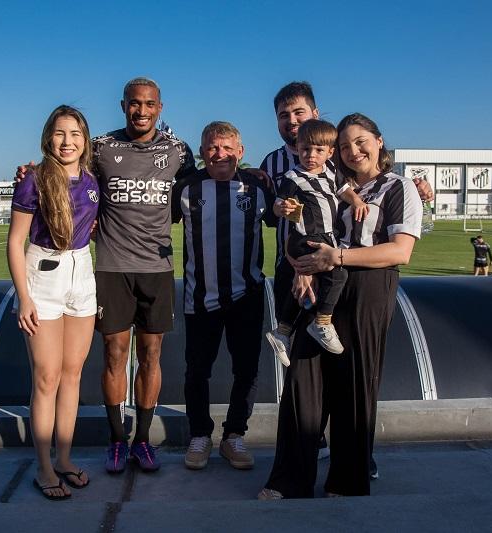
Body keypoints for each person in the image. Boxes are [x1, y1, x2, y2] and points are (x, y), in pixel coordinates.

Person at [16, 78, 195, 474]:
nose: (142, 111)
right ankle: (117, 440)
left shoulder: (179, 150)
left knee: (151, 355)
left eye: (149, 104)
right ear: (123, 105)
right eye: (134, 104)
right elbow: (64, 169)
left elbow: (195, 188)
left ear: (160, 107)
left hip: (157, 270)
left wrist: (257, 179)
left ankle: (142, 441)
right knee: (114, 354)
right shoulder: (100, 147)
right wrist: (29, 170)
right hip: (111, 267)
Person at [260, 112, 422, 499]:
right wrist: (302, 265)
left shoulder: (398, 187)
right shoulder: (333, 185)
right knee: (303, 379)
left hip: (367, 287)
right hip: (323, 282)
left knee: (354, 385)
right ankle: (289, 480)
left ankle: (347, 482)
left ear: (379, 142)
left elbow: (401, 252)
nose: (354, 150)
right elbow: (301, 229)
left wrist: (338, 258)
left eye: (361, 141)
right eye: (346, 145)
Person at [172, 122, 276, 471]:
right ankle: (200, 434)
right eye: (212, 147)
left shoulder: (259, 185)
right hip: (200, 296)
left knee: (246, 369)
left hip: (246, 294)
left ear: (240, 152)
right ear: (202, 152)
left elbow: (294, 210)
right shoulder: (185, 188)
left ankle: (234, 435)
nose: (220, 154)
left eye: (227, 147)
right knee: (196, 370)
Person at [7, 105, 99, 500]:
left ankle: (64, 458)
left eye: (75, 134)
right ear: (49, 137)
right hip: (42, 276)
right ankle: (43, 467)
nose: (67, 142)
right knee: (46, 377)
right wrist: (24, 297)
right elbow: (15, 242)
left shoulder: (93, 180)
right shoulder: (33, 180)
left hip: (82, 274)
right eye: (60, 134)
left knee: (73, 375)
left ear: (85, 139)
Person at [267, 119, 368, 358]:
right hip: (304, 238)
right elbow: (278, 203)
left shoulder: (332, 171)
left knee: (306, 290)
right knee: (338, 274)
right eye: (305, 149)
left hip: (326, 237)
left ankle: (283, 331)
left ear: (329, 152)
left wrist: (357, 201)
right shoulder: (293, 176)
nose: (310, 155)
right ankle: (322, 322)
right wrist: (281, 208)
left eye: (318, 150)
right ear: (298, 149)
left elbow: (345, 191)